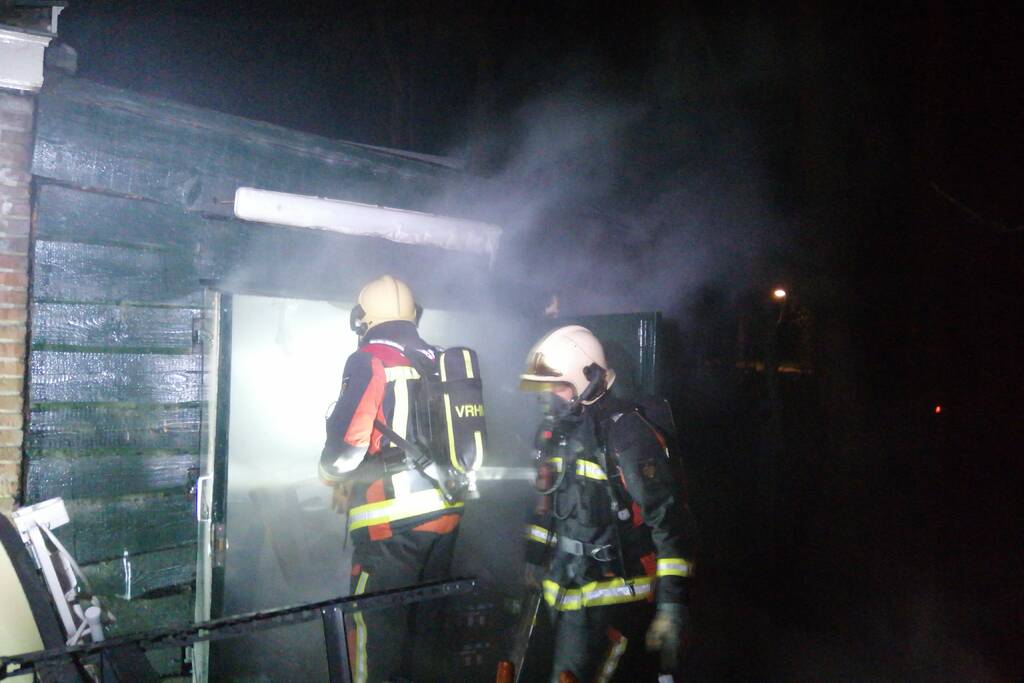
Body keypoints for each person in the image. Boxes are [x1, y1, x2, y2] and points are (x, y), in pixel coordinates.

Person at [519, 325, 697, 682]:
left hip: (610, 598)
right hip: (559, 591)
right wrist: (535, 560)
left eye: (559, 385)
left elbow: (669, 521)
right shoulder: (560, 432)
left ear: (588, 378)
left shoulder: (627, 433)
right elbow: (546, 505)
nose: (552, 396)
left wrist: (671, 605)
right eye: (547, 387)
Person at [319, 274, 464, 683]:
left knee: (371, 632)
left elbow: (346, 450)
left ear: (362, 319)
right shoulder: (439, 359)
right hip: (446, 515)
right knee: (423, 635)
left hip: (391, 525)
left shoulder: (370, 358)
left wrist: (330, 474)